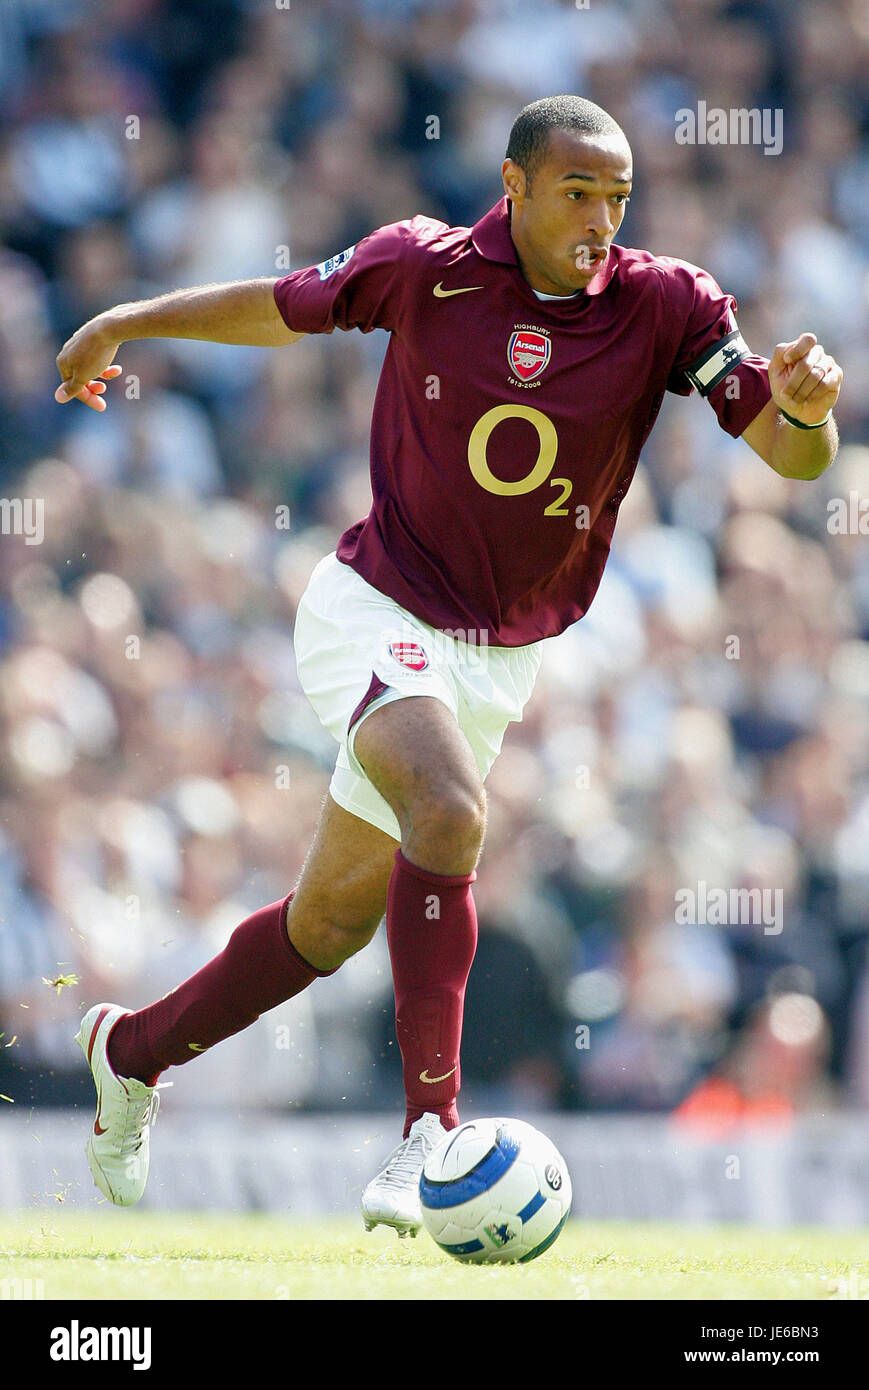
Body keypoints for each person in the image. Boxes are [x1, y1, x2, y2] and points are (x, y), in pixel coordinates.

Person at [55, 95, 842, 1236]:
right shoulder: (423, 266)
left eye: (617, 198)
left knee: (327, 925)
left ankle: (127, 1054)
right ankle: (429, 1135)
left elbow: (785, 449)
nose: (600, 221)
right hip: (372, 607)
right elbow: (281, 310)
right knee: (451, 812)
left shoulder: (665, 304)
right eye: (577, 193)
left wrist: (809, 414)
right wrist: (127, 319)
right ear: (513, 186)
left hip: (493, 657)